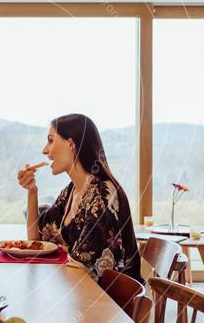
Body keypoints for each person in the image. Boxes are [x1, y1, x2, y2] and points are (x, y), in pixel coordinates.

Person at [17, 113, 142, 284]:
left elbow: (81, 265)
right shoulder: (71, 192)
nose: (45, 150)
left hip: (109, 303)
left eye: (51, 140)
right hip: (78, 291)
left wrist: (62, 249)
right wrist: (32, 191)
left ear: (71, 144)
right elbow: (35, 240)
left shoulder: (102, 194)